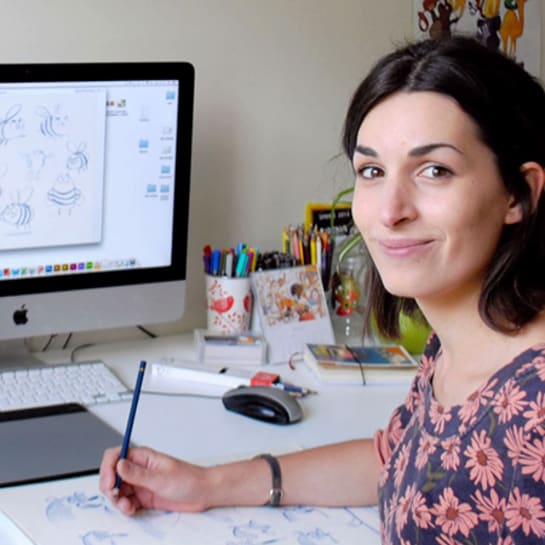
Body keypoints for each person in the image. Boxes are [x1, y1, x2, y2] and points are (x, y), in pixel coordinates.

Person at [100, 35, 545, 543]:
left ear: (519, 195)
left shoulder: (533, 409)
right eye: (372, 171)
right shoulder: (459, 345)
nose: (389, 210)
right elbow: (396, 458)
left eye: (434, 171)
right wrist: (207, 484)